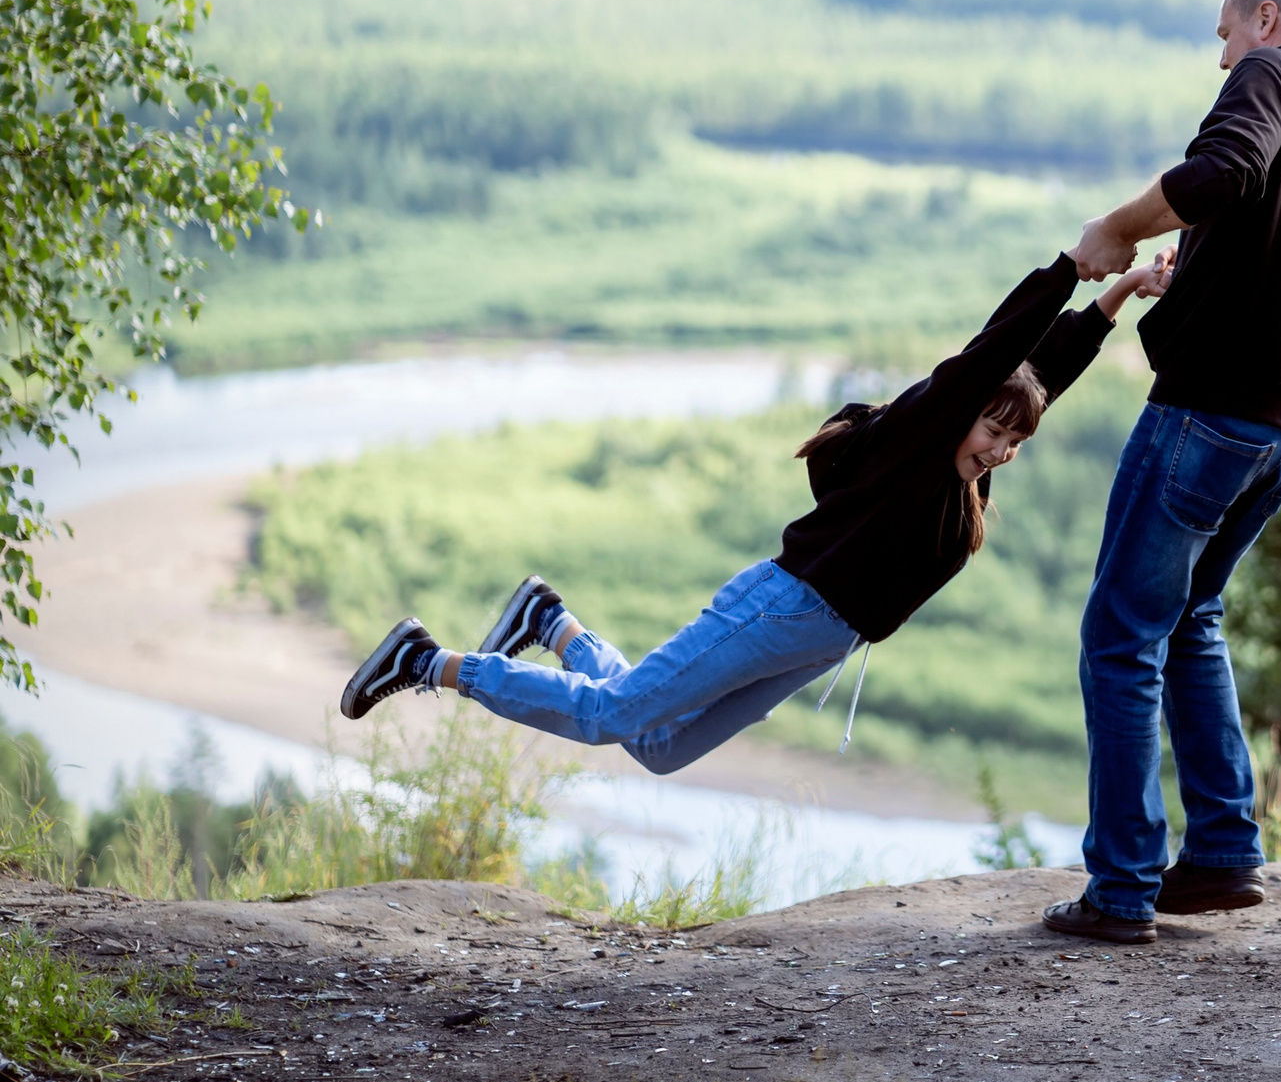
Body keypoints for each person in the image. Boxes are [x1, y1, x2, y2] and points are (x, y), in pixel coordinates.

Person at [336, 252, 1171, 773]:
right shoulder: (921, 441)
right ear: (960, 411)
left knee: (660, 750)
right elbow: (996, 352)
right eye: (991, 429)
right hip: (782, 608)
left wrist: (1120, 297)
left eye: (1013, 442)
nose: (999, 449)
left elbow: (1038, 377)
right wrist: (1071, 268)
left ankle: (551, 623)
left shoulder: (968, 479)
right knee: (612, 718)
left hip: (818, 645)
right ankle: (430, 661)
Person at [1044, 0, 1281, 945]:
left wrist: (1114, 229)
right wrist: (1201, 267)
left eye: (1224, 34)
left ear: (1268, 17)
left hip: (1207, 410)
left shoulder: (1273, 77)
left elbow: (1225, 170)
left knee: (1120, 634)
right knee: (1191, 615)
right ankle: (1221, 853)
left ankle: (1119, 884)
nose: (1222, 59)